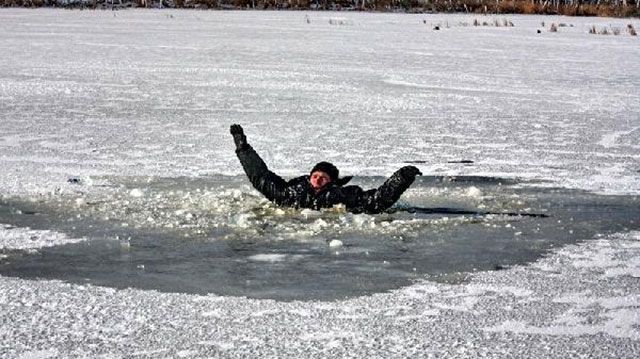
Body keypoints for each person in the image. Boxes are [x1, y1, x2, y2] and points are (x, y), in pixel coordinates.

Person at [230, 124, 422, 214]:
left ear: (332, 182)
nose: (318, 179)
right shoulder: (290, 193)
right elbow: (260, 177)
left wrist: (402, 177)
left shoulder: (343, 196)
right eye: (315, 175)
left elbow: (377, 201)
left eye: (323, 177)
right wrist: (243, 148)